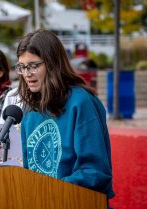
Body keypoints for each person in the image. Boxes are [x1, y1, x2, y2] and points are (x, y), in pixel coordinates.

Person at [15, 29, 114, 199]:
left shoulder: (81, 102)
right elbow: (30, 170)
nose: (27, 74)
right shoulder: (30, 110)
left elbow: (95, 171)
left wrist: (50, 191)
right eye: (22, 67)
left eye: (33, 66)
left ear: (53, 63)